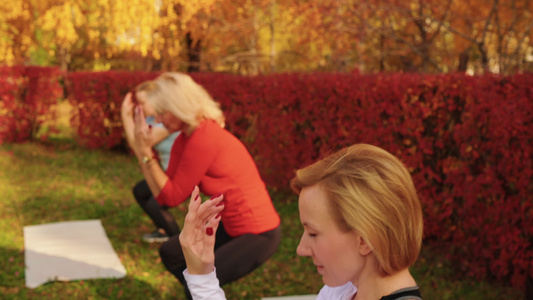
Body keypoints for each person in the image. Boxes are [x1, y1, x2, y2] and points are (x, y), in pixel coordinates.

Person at [180, 143, 424, 300]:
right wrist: (201, 274)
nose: (301, 249)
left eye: (313, 233)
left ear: (365, 239)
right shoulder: (346, 288)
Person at [125, 72, 282, 300]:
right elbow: (164, 196)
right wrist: (144, 154)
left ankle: (201, 292)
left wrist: (145, 152)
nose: (157, 120)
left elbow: (170, 197)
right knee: (172, 254)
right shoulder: (185, 139)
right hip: (230, 227)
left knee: (196, 283)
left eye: (160, 113)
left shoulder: (204, 138)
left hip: (258, 234)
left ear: (177, 107)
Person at [122, 94, 181, 242]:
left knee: (156, 205)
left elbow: (140, 146)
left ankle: (178, 242)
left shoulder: (166, 124)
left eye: (143, 102)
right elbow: (136, 144)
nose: (139, 107)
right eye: (137, 103)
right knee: (140, 191)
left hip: (178, 174)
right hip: (165, 172)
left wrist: (125, 116)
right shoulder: (149, 120)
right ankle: (163, 231)